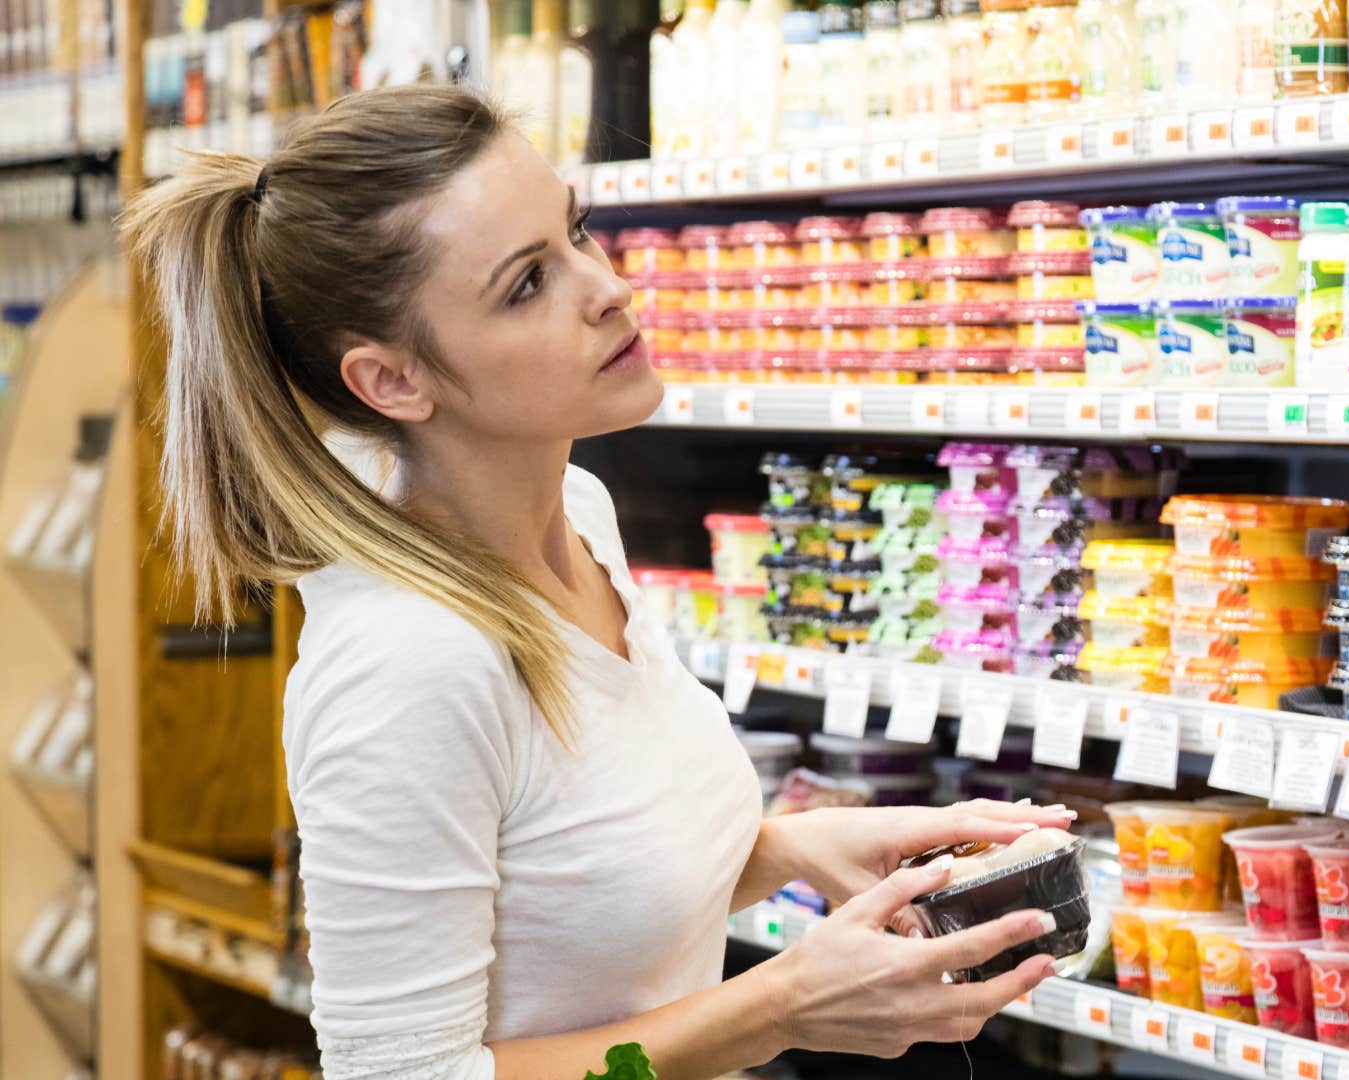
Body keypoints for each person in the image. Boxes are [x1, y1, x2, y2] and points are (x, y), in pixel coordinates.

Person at [120, 84, 1067, 1080]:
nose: (608, 287)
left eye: (576, 231)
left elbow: (573, 891)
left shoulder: (580, 515)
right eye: (527, 283)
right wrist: (780, 1007)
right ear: (393, 380)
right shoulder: (408, 665)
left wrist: (794, 849)